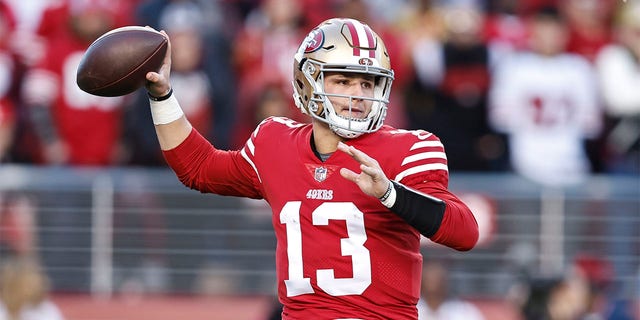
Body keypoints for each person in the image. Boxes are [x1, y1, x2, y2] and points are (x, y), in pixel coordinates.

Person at [144, 18, 479, 319]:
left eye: (367, 83)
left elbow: (464, 232)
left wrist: (391, 194)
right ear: (309, 82)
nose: (358, 95)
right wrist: (162, 95)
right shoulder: (275, 142)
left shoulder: (409, 148)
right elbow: (199, 168)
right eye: (344, 81)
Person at [417, 260, 485, 320]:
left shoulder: (465, 310)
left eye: (437, 279)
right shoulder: (412, 310)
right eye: (429, 279)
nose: (433, 282)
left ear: (445, 282)